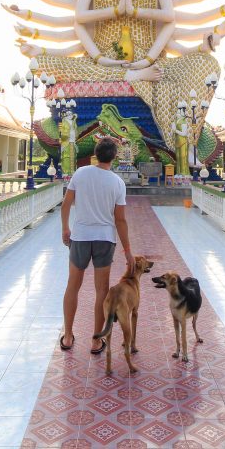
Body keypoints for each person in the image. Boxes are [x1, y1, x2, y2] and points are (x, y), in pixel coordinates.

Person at [60, 137, 131, 353]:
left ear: (95, 153)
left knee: (73, 286)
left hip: (80, 236)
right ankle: (95, 339)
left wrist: (65, 228)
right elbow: (120, 219)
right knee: (102, 291)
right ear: (115, 156)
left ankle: (69, 335)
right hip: (104, 239)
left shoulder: (81, 173)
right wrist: (128, 250)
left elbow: (66, 204)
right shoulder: (117, 183)